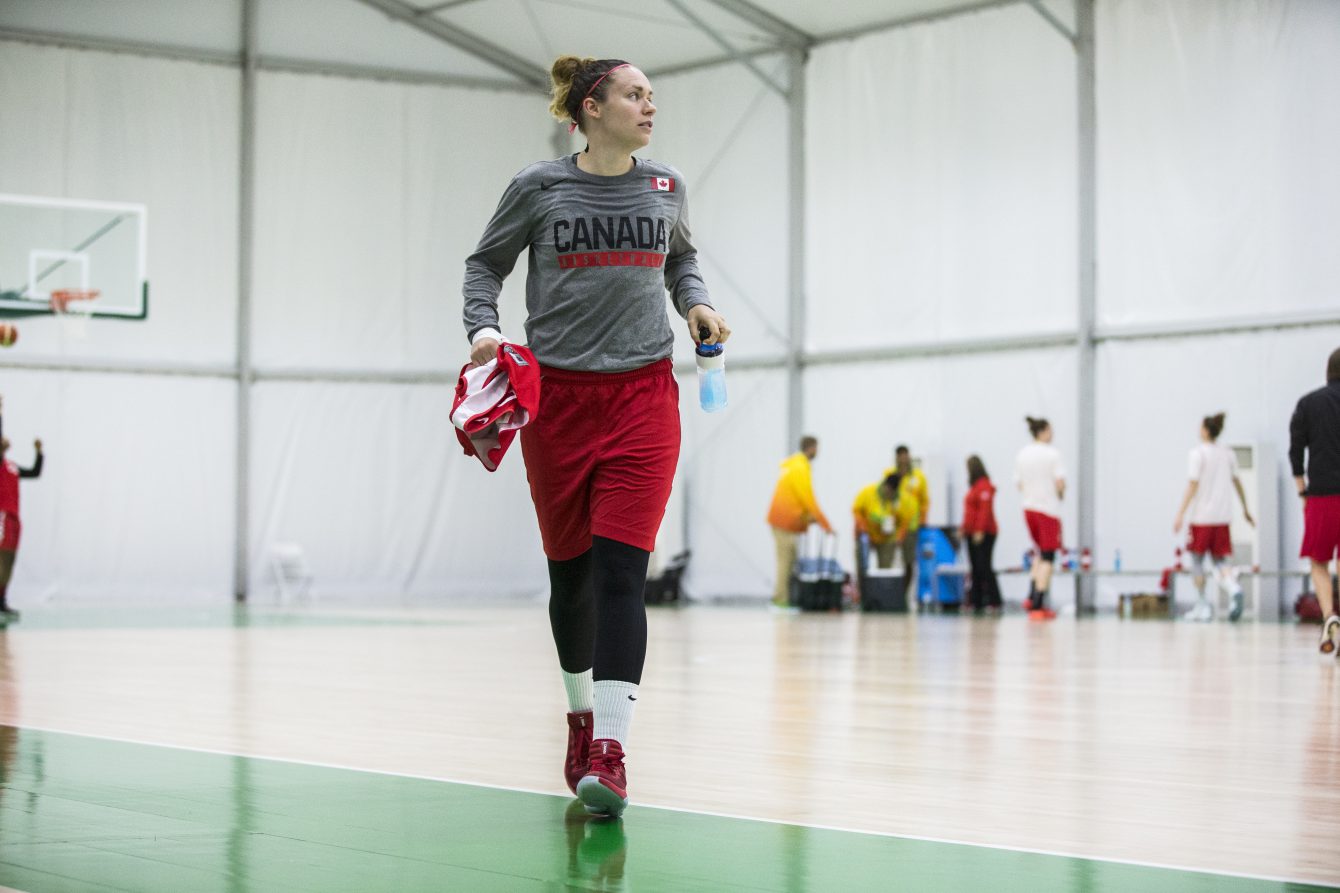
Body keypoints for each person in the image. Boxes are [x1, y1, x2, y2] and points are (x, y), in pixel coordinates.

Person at [462, 55, 730, 817]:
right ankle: (579, 713)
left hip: (645, 396)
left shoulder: (665, 186)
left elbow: (682, 258)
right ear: (591, 107)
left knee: (623, 571)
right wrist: (484, 327)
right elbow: (485, 265)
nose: (650, 105)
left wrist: (698, 306)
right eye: (635, 95)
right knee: (570, 577)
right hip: (559, 402)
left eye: (652, 96)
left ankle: (610, 751)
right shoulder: (539, 188)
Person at [1172, 413, 1254, 622]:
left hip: (1201, 517)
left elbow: (1193, 484)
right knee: (1220, 561)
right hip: (1222, 517)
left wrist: (1180, 513)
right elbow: (1237, 482)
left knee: (1197, 561)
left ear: (1206, 431)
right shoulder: (1227, 454)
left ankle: (1202, 605)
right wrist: (1245, 509)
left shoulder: (1197, 454)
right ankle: (1234, 589)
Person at [1290, 347, 1340, 656]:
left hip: (1320, 494)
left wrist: (1302, 492)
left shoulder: (1308, 403)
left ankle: (1329, 616)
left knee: (1319, 562)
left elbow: (1295, 452)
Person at [767, 436, 833, 608]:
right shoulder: (800, 467)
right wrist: (825, 524)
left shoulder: (794, 465)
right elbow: (807, 498)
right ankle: (779, 600)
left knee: (790, 559)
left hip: (785, 521)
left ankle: (785, 598)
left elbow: (796, 498)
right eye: (817, 448)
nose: (818, 452)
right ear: (810, 448)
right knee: (785, 561)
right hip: (784, 522)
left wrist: (808, 518)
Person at [0, 395, 43, 625]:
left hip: (15, 518)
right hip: (1, 516)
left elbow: (35, 472)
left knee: (9, 562)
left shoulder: (13, 467)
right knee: (0, 559)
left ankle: (2, 600)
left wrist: (39, 452)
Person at [1015, 417, 1064, 620]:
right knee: (1048, 556)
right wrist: (1059, 496)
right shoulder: (1052, 454)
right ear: (1043, 431)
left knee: (1039, 553)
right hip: (1047, 509)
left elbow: (1018, 484)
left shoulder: (1023, 454)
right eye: (1050, 431)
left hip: (1028, 508)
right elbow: (1060, 483)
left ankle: (1030, 595)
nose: (1052, 435)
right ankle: (1038, 604)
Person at [884, 445, 929, 598]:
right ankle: (890, 594)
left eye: (905, 455)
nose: (903, 458)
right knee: (889, 560)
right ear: (896, 457)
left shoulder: (918, 477)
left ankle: (903, 594)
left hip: (911, 525)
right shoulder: (889, 474)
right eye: (900, 455)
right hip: (893, 525)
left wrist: (923, 520)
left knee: (909, 560)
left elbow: (924, 501)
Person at [961, 455, 1001, 613]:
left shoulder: (985, 486)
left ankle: (994, 600)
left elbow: (984, 511)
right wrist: (964, 528)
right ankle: (976, 601)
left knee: (985, 566)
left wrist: (980, 530)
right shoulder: (974, 487)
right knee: (975, 568)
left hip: (984, 533)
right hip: (971, 533)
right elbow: (969, 512)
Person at [852, 472, 902, 571]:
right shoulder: (868, 493)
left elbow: (902, 521)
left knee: (885, 568)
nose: (889, 493)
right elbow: (856, 510)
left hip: (886, 538)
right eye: (888, 489)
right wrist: (864, 528)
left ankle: (883, 585)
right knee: (862, 566)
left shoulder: (898, 501)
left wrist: (898, 537)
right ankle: (863, 584)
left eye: (892, 492)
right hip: (866, 535)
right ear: (885, 485)